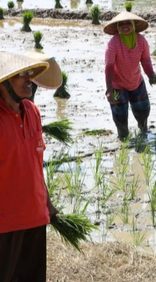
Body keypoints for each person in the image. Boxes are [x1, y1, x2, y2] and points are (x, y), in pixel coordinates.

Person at [0, 51, 58, 282]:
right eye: (21, 75)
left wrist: (47, 203)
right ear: (4, 82)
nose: (29, 81)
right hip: (5, 222)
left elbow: (35, 165)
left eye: (30, 75)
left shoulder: (33, 112)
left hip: (34, 217)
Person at [104, 12, 156, 141]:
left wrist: (151, 74)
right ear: (117, 27)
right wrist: (109, 89)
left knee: (143, 111)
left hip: (136, 82)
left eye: (128, 23)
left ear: (133, 25)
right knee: (120, 116)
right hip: (118, 85)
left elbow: (145, 60)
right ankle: (123, 138)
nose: (125, 26)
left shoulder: (141, 41)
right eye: (121, 24)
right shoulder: (113, 44)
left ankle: (143, 131)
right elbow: (109, 67)